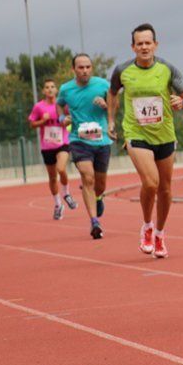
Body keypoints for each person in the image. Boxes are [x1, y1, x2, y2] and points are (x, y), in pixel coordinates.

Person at [107, 23, 183, 259]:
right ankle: (146, 225)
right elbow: (113, 92)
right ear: (133, 47)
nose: (144, 47)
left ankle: (159, 232)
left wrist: (182, 103)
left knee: (165, 189)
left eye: (148, 42)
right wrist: (111, 121)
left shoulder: (167, 69)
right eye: (139, 43)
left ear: (155, 45)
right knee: (151, 182)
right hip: (136, 134)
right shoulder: (122, 70)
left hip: (165, 135)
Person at [57, 54, 113, 239]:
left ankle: (98, 197)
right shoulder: (66, 89)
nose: (85, 71)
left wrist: (106, 106)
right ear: (73, 69)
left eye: (88, 67)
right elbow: (59, 106)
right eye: (81, 67)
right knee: (87, 178)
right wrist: (61, 118)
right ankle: (94, 222)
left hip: (102, 139)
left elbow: (116, 105)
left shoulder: (103, 85)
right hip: (79, 140)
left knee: (100, 184)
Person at [28, 79, 76, 220]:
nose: (50, 89)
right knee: (52, 177)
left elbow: (72, 117)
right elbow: (32, 124)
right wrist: (43, 121)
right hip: (47, 146)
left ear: (56, 90)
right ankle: (57, 204)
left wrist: (67, 120)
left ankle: (66, 194)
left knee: (61, 169)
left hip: (63, 143)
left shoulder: (62, 105)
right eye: (47, 87)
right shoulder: (39, 107)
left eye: (52, 87)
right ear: (43, 91)